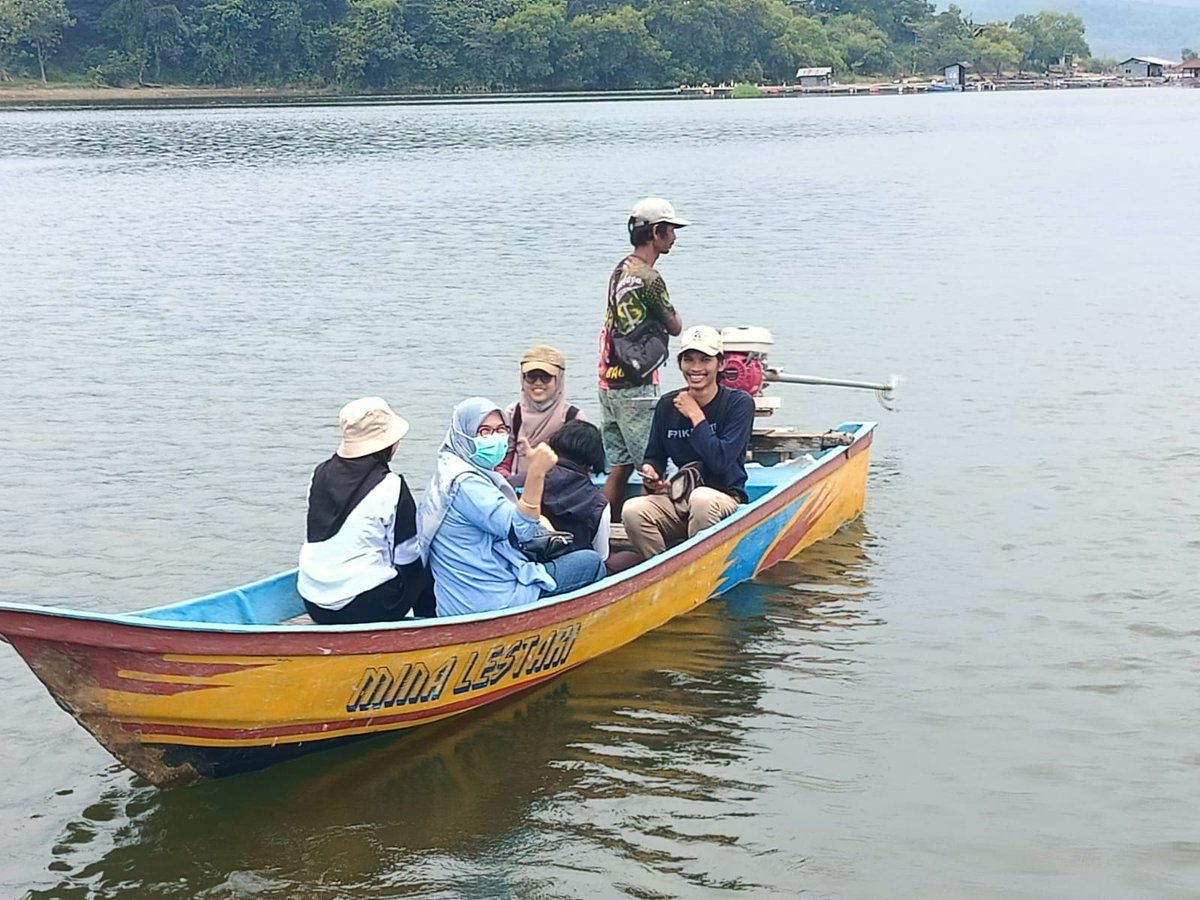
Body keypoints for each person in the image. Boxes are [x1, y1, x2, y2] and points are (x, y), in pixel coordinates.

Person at [418, 397, 608, 617]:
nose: (495, 438)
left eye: (500, 430)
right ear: (463, 436)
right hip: (493, 599)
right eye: (484, 432)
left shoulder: (446, 474)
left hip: (458, 596)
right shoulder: (466, 485)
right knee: (590, 562)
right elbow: (521, 530)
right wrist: (537, 472)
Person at [297, 397, 436, 625]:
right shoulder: (391, 485)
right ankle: (430, 629)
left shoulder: (320, 473)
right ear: (387, 444)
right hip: (364, 606)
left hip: (314, 602)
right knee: (425, 566)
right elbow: (407, 556)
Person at [621, 326, 755, 559]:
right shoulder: (667, 405)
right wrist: (651, 471)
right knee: (632, 510)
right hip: (678, 499)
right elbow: (655, 455)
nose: (696, 368)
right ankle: (659, 569)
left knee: (701, 499)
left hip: (722, 500)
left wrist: (696, 416)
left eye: (705, 360)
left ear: (720, 364)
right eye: (688, 360)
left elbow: (721, 461)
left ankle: (699, 568)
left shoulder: (738, 404)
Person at [597, 197, 687, 520]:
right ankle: (654, 529)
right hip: (636, 386)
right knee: (652, 464)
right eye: (671, 230)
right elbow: (675, 326)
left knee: (619, 467)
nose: (674, 238)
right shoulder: (650, 278)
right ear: (656, 233)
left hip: (608, 382)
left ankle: (602, 532)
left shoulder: (620, 268)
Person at [543, 420, 642, 574]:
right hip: (572, 572)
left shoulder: (525, 482)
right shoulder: (598, 504)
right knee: (632, 559)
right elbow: (601, 557)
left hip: (525, 565)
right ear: (593, 462)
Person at [497, 344, 584, 487]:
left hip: (558, 491)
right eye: (531, 377)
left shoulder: (573, 417)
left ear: (559, 379)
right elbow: (503, 458)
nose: (538, 383)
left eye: (546, 377)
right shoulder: (513, 414)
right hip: (517, 489)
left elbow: (579, 468)